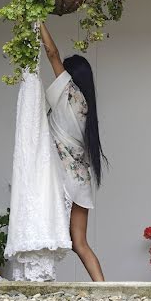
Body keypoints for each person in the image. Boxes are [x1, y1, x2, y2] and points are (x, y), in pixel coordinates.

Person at [39, 22, 106, 282]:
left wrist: (40, 22)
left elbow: (52, 54)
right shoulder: (86, 105)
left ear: (70, 76)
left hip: (61, 179)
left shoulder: (68, 93)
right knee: (80, 243)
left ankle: (42, 284)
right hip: (80, 181)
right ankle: (103, 289)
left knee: (46, 232)